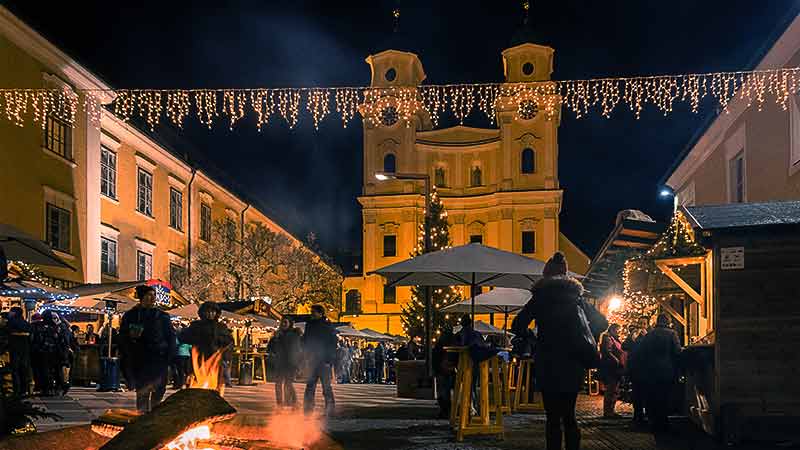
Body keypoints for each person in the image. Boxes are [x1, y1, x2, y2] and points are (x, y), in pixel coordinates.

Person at [511, 252, 602, 450]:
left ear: (546, 275)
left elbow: (517, 325)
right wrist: (584, 335)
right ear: (565, 274)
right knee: (569, 415)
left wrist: (534, 339)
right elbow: (602, 322)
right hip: (573, 364)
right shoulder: (576, 298)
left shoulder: (540, 297)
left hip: (548, 362)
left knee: (552, 418)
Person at [119, 285, 175, 413]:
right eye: (149, 295)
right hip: (141, 359)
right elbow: (123, 337)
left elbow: (171, 336)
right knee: (142, 392)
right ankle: (142, 418)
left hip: (159, 358)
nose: (152, 298)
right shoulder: (131, 315)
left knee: (159, 391)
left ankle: (154, 417)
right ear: (141, 297)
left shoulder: (162, 316)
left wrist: (169, 356)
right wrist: (130, 340)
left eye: (154, 295)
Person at [633, 314, 682, 434]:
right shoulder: (672, 334)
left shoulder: (649, 335)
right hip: (666, 370)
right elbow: (677, 351)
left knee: (653, 397)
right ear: (668, 322)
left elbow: (641, 352)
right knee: (665, 396)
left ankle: (655, 423)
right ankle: (664, 423)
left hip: (651, 371)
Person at [178, 301, 234, 390]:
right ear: (202, 313)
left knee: (215, 383)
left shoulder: (220, 327)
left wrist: (219, 341)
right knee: (195, 381)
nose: (210, 314)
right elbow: (183, 337)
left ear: (216, 313)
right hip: (198, 358)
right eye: (207, 311)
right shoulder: (196, 325)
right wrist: (197, 339)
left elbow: (229, 341)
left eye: (212, 311)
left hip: (215, 358)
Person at [302, 304, 337, 415]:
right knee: (310, 386)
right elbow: (306, 341)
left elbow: (332, 344)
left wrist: (329, 360)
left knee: (326, 386)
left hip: (323, 361)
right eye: (311, 311)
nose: (311, 313)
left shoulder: (327, 326)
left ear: (320, 313)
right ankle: (308, 409)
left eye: (313, 312)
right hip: (312, 360)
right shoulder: (309, 325)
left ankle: (330, 408)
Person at [31, 310, 70, 396]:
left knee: (46, 371)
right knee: (56, 371)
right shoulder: (57, 327)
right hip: (55, 352)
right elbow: (63, 341)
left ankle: (48, 388)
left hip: (45, 352)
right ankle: (58, 387)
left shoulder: (42, 327)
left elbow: (38, 339)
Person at [268, 317, 301, 407]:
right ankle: (280, 403)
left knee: (288, 384)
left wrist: (296, 364)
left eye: (285, 322)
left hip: (290, 364)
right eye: (282, 322)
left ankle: (292, 402)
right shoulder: (277, 334)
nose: (283, 324)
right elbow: (270, 348)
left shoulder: (294, 335)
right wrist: (275, 338)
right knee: (278, 383)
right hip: (280, 363)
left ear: (290, 323)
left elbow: (297, 350)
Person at [599, 323, 626, 418]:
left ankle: (611, 411)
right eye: (618, 330)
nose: (619, 332)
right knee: (611, 390)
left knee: (615, 390)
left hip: (616, 368)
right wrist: (617, 360)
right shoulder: (608, 338)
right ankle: (608, 412)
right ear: (613, 330)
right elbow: (608, 351)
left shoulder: (614, 338)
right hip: (611, 368)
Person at [432, 326, 458, 419]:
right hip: (451, 370)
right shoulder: (455, 341)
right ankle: (450, 411)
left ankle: (445, 411)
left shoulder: (440, 343)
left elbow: (435, 356)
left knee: (443, 392)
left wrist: (435, 369)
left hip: (442, 370)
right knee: (449, 391)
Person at [622, 325, 645, 426]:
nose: (642, 325)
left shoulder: (649, 335)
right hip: (635, 369)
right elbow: (624, 346)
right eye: (640, 323)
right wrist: (630, 337)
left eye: (644, 323)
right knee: (636, 393)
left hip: (644, 368)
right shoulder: (633, 336)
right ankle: (638, 415)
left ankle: (643, 415)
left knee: (644, 393)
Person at [7, 307, 32, 396]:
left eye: (11, 311)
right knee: (24, 369)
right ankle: (24, 390)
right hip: (25, 350)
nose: (9, 313)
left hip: (14, 349)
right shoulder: (25, 323)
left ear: (15, 313)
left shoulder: (11, 322)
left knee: (15, 370)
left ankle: (16, 390)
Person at [172, 324, 192, 389]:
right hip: (187, 355)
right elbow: (190, 347)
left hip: (180, 355)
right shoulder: (188, 339)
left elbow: (176, 345)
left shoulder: (178, 338)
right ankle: (188, 383)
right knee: (187, 371)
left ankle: (181, 384)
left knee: (181, 370)